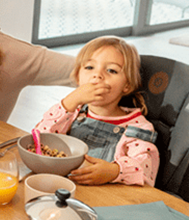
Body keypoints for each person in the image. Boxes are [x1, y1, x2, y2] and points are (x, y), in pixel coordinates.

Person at [34, 36, 160, 186]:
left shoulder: (137, 127)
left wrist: (114, 171)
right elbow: (38, 143)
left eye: (111, 70)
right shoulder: (72, 113)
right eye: (89, 67)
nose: (97, 75)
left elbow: (145, 171)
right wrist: (69, 102)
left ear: (127, 85)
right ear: (78, 78)